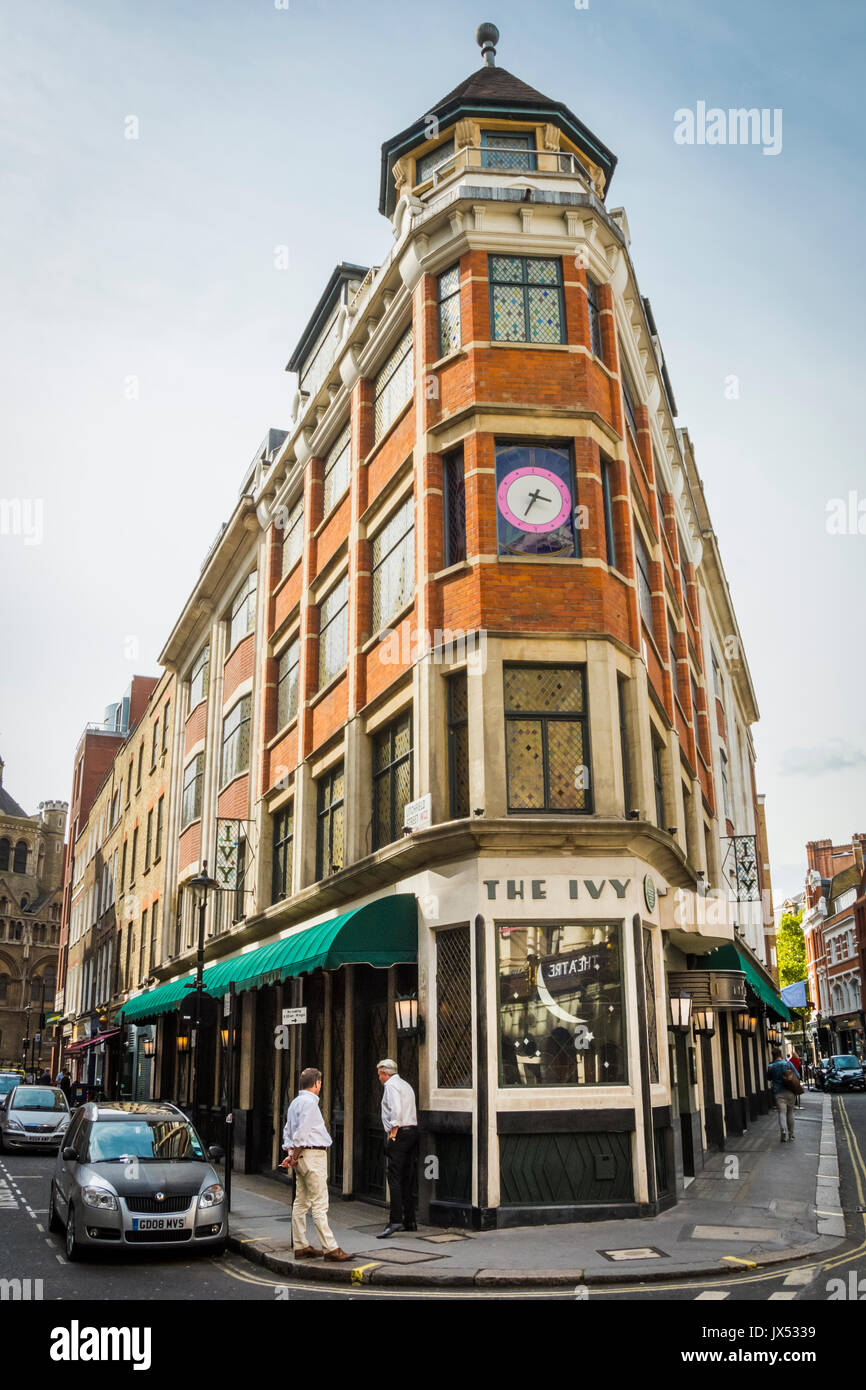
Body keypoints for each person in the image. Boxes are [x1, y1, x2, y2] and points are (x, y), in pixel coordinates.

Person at [281, 1067, 351, 1262]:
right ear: (317, 1084)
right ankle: (331, 1248)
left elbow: (288, 1132)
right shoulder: (310, 1104)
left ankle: (301, 1246)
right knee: (320, 1203)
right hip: (313, 1156)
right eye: (321, 1083)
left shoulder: (295, 1103)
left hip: (301, 1158)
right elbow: (301, 1134)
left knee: (301, 1202)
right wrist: (294, 1155)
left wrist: (291, 1155)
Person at [376, 1058, 418, 1239]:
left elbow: (396, 1111)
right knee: (406, 1178)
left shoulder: (391, 1086)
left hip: (399, 1134)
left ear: (385, 1073)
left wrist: (393, 1134)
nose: (379, 1078)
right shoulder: (405, 1084)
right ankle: (410, 1220)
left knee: (394, 1177)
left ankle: (395, 1220)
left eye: (379, 1074)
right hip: (412, 1132)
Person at [767, 1047, 798, 1142]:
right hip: (790, 1091)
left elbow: (768, 1078)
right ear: (780, 1054)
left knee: (782, 1113)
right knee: (790, 1112)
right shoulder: (788, 1063)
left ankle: (783, 1131)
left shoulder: (771, 1066)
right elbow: (798, 1075)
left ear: (773, 1055)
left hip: (778, 1093)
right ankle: (791, 1135)